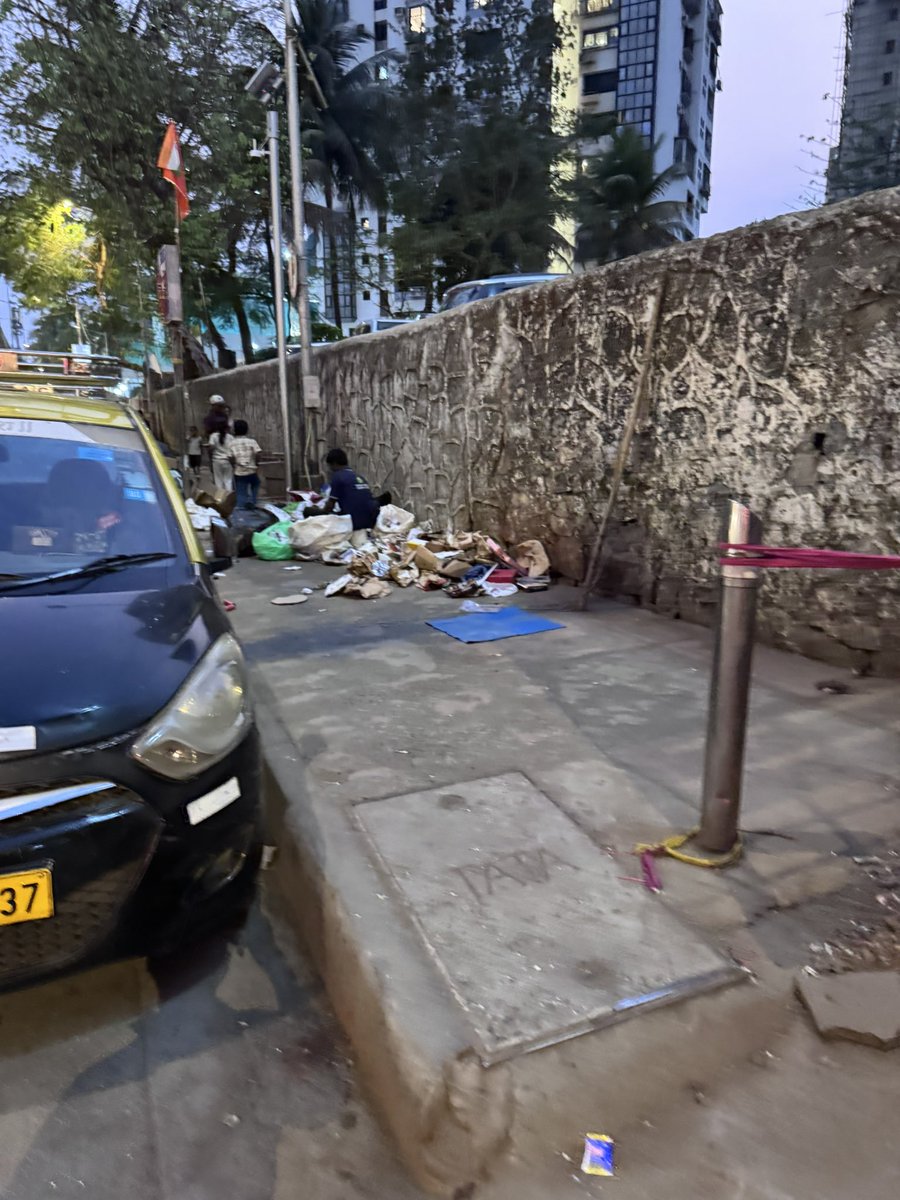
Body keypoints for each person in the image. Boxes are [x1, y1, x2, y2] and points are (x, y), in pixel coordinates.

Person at [323, 448, 389, 543]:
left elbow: (329, 506)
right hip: (371, 521)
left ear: (334, 463)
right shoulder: (359, 477)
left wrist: (319, 513)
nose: (330, 469)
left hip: (354, 523)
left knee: (313, 514)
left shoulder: (337, 477)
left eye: (330, 466)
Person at [229, 419, 262, 509]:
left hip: (239, 472)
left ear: (234, 430)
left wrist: (234, 465)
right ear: (247, 430)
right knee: (256, 484)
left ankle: (241, 507)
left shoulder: (231, 443)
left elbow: (230, 457)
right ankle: (253, 501)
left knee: (240, 491)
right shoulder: (252, 441)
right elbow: (258, 453)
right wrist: (256, 463)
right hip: (252, 470)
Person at [209, 424, 234, 492]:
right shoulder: (230, 437)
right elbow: (233, 450)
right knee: (228, 480)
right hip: (227, 461)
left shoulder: (213, 436)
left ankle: (220, 498)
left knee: (218, 480)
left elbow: (211, 448)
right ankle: (229, 497)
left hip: (216, 460)